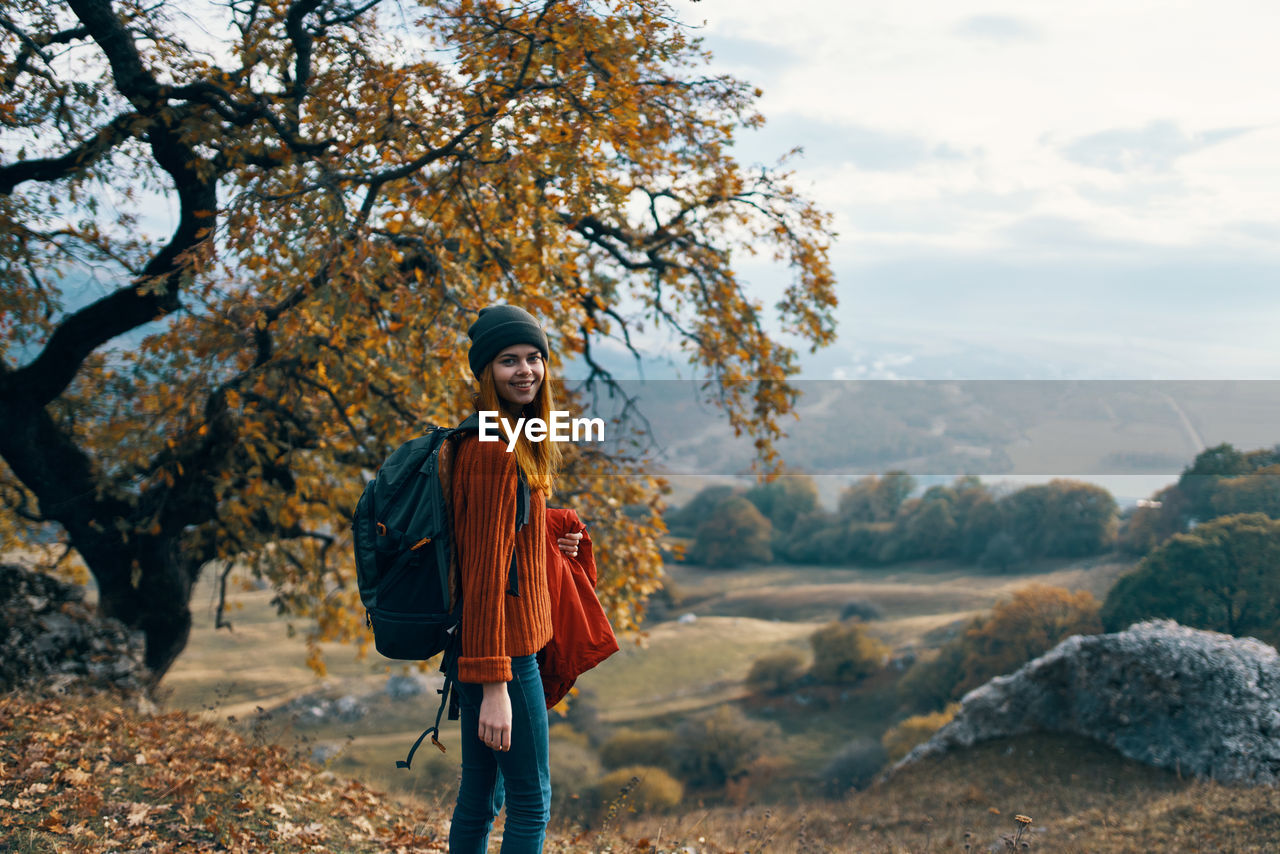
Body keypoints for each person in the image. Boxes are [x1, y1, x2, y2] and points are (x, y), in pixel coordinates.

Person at [448, 304, 568, 853]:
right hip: (505, 655)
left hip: (484, 650)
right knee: (530, 798)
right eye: (507, 361)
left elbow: (504, 539)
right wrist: (495, 684)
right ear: (485, 373)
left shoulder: (508, 438)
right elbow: (484, 574)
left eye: (533, 358)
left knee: (482, 793)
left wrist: (555, 535)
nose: (525, 371)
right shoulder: (494, 451)